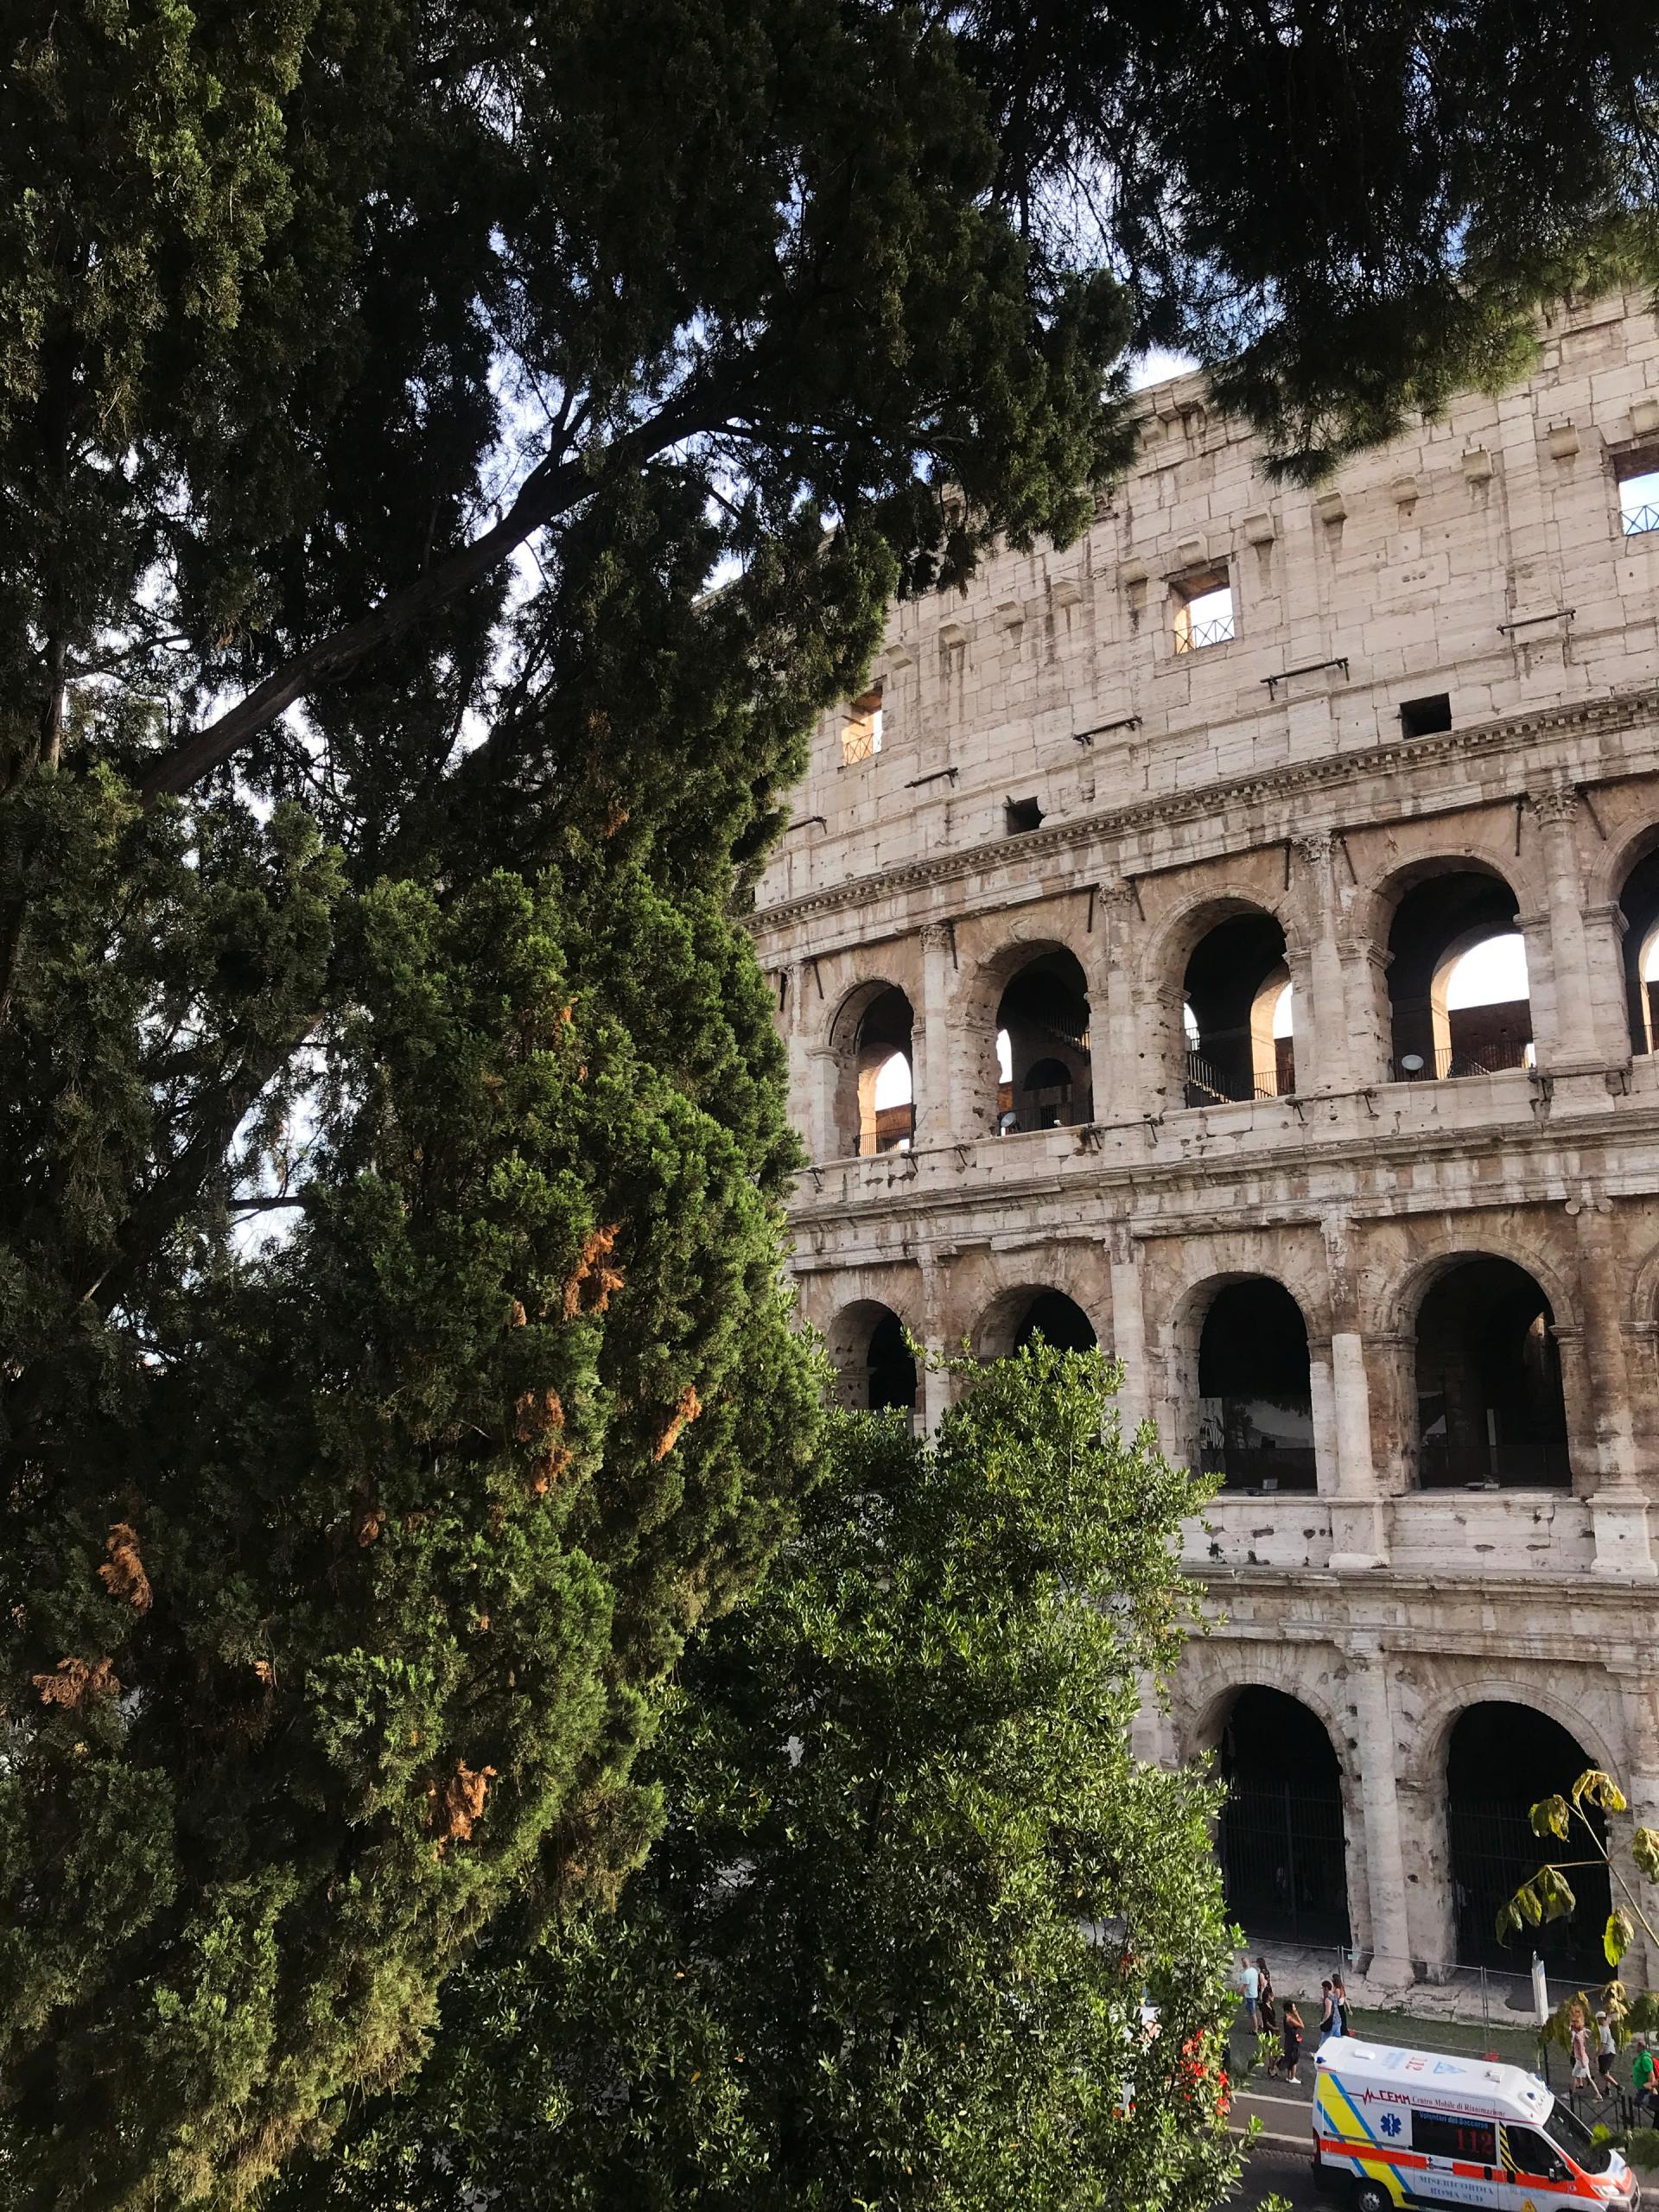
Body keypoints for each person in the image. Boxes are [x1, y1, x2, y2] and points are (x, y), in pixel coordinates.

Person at [1570, 2005, 1599, 2101]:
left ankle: (1598, 2095)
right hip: (1580, 2060)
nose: (1573, 2024)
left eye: (1575, 2022)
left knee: (1588, 2078)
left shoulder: (1578, 2036)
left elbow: (1580, 2050)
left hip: (1581, 2060)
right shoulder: (1581, 2032)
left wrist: (1582, 2062)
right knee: (1575, 2076)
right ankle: (1572, 2093)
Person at [1281, 1999, 1305, 2085]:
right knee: (1294, 2058)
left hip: (1288, 2039)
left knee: (1289, 2056)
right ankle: (1292, 2077)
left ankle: (1289, 2076)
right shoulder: (1290, 2018)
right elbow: (1302, 2025)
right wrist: (1297, 2014)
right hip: (1293, 2040)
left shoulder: (1286, 2016)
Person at [1595, 2008, 1618, 2095]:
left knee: (1603, 2072)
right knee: (1606, 2071)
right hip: (1609, 2052)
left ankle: (1618, 2086)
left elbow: (1602, 2045)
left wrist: (1596, 2055)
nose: (1597, 2021)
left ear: (1601, 2019)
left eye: (1598, 2019)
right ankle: (1608, 2089)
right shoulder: (1605, 2026)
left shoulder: (1603, 2031)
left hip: (1607, 2053)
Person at [1257, 1956, 1277, 2054]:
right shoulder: (1267, 1971)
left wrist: (1260, 1995)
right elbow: (1269, 1982)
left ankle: (1263, 2024)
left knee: (1263, 2009)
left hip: (1265, 1992)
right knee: (1269, 2007)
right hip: (1269, 1990)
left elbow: (1262, 1985)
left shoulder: (1261, 1974)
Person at [1633, 2036, 1657, 2120]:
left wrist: (1651, 2086)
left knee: (1638, 2102)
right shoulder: (1641, 2057)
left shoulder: (1645, 2058)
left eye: (1636, 2046)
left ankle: (1636, 2119)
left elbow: (1650, 2073)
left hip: (1645, 2086)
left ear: (1641, 2047)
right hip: (1642, 2085)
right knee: (1640, 2102)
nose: (1635, 2047)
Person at [1239, 1953, 1260, 2034]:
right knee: (1251, 2010)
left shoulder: (1246, 1974)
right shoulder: (1254, 1971)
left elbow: (1245, 1985)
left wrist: (1240, 1992)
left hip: (1250, 1995)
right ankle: (1256, 2025)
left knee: (1252, 2012)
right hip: (1254, 1993)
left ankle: (1255, 2029)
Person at [1318, 1979, 1337, 2045]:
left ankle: (1321, 2050)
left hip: (1329, 2020)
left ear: (1326, 1988)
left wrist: (1323, 2021)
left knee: (1325, 2037)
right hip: (1335, 2019)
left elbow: (1328, 2012)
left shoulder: (1328, 1998)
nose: (1322, 1990)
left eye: (1323, 1988)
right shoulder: (1333, 1996)